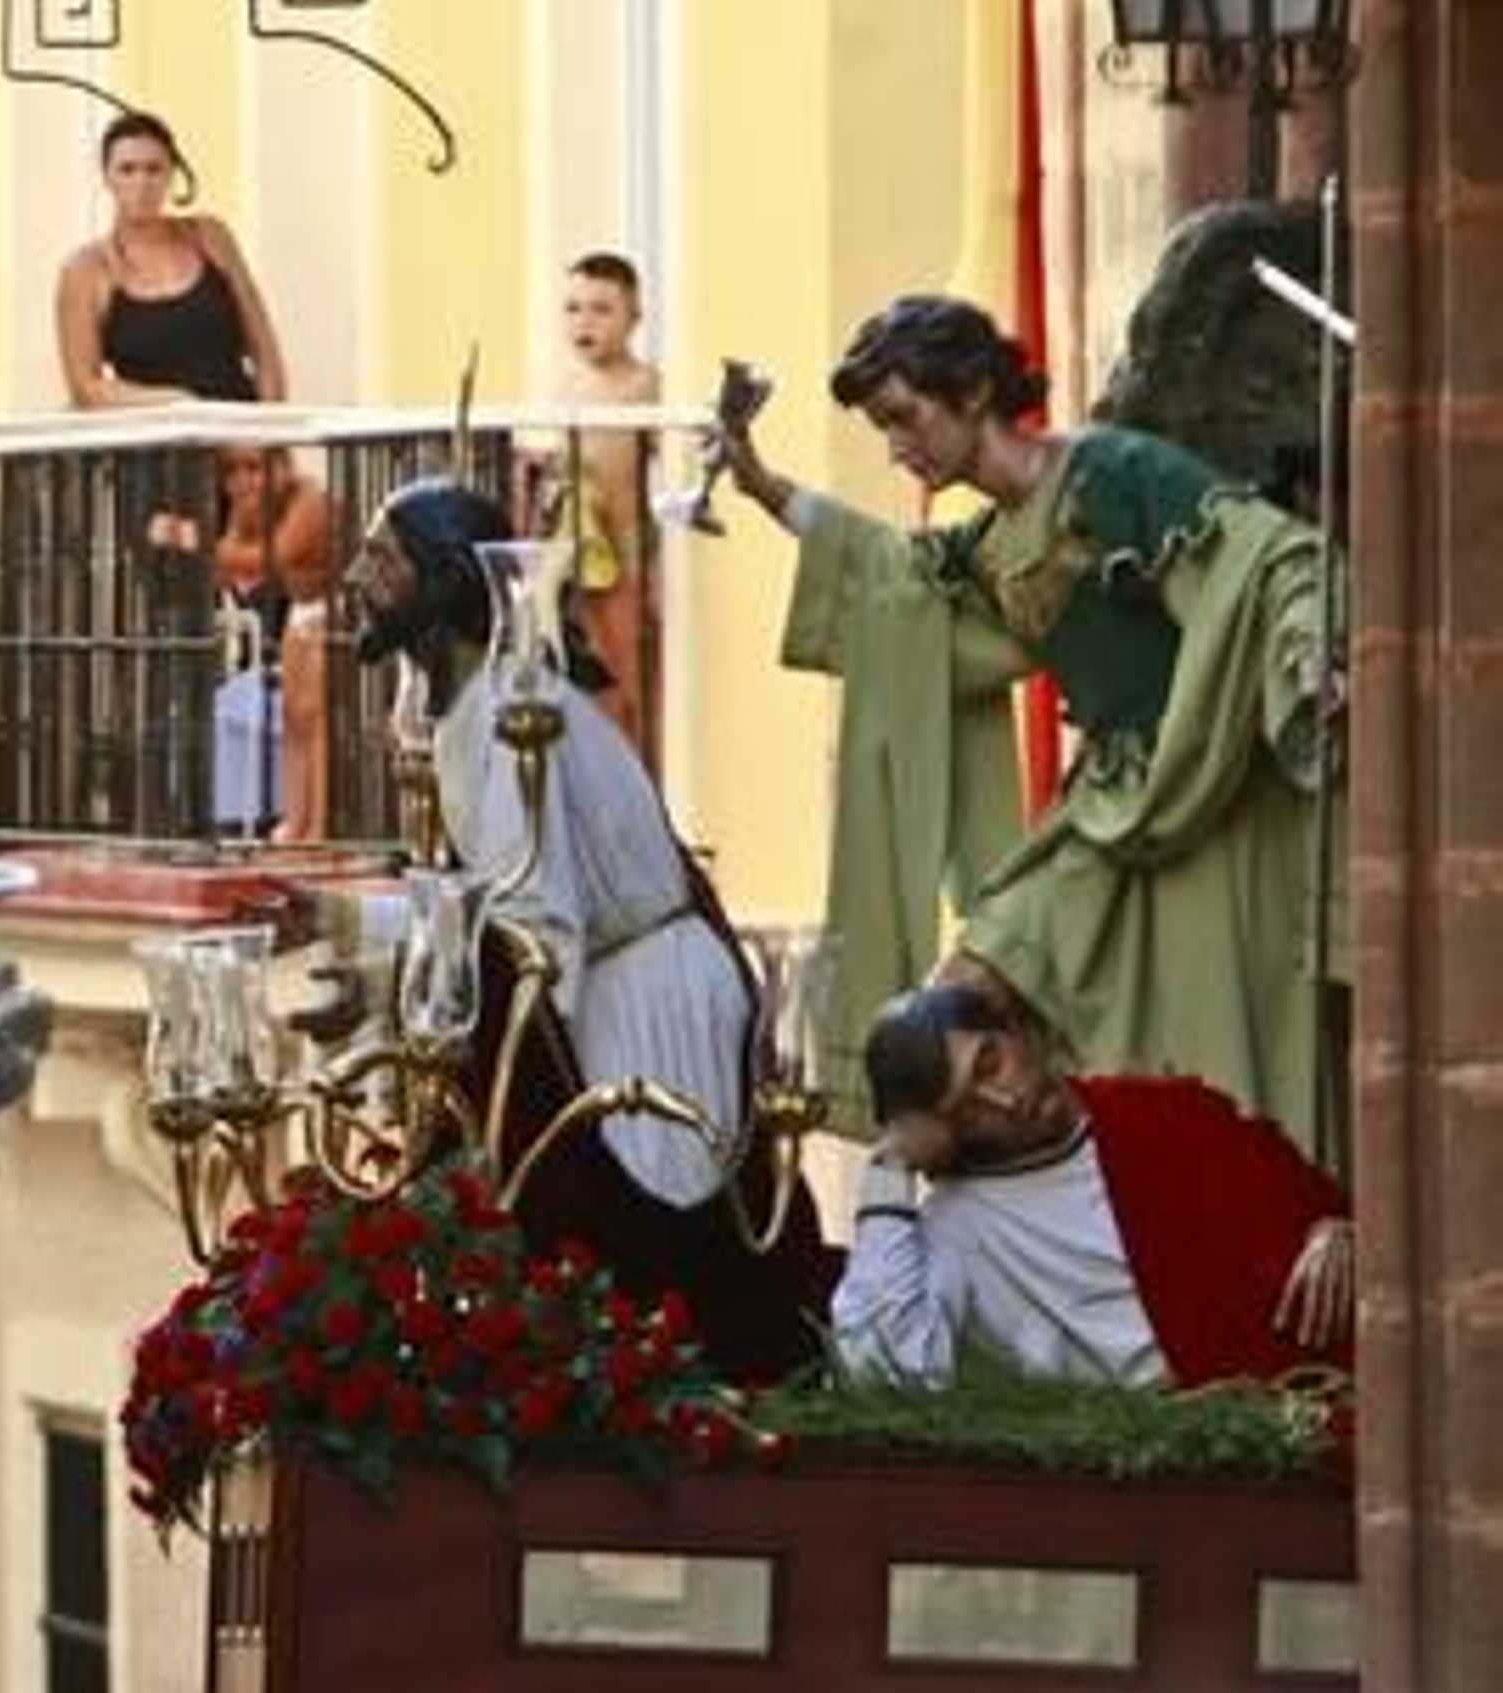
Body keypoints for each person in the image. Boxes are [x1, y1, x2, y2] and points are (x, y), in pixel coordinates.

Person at [726, 293, 1345, 1162]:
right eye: (883, 429)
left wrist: (1309, 657)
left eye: (904, 418)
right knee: (968, 981)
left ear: (974, 390)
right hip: (1106, 811)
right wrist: (765, 489)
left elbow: (1264, 556)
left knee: (1213, 1057)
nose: (898, 447)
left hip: (1205, 792)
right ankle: (945, 1227)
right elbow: (891, 581)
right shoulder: (989, 540)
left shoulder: (1110, 474)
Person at [342, 475, 833, 1380]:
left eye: (382, 559)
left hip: (644, 985)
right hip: (601, 976)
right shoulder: (471, 709)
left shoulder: (510, 712)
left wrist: (410, 974)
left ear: (447, 583)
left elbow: (533, 913)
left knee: (661, 1244)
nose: (354, 577)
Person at [832, 977, 1353, 1388]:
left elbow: (1337, 1219)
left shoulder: (1169, 1117)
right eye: (968, 1111)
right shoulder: (962, 1226)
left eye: (991, 1063)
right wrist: (888, 1169)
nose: (1006, 1101)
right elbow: (883, 1373)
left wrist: (1339, 1231)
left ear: (1014, 1028)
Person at [56, 108, 287, 408]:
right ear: (106, 177)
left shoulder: (211, 237)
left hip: (247, 435)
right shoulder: (86, 270)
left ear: (171, 174)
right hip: (161, 444)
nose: (142, 183)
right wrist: (181, 405)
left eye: (154, 169)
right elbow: (86, 389)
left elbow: (264, 348)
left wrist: (268, 434)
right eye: (127, 169)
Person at [553, 252, 662, 765]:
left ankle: (641, 781)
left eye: (601, 309)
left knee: (631, 679)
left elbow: (664, 465)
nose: (585, 322)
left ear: (634, 316)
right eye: (573, 309)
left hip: (628, 554)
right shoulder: (567, 386)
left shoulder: (644, 387)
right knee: (586, 679)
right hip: (578, 552)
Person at [211, 446, 338, 843]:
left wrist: (194, 539)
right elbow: (230, 567)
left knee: (316, 718)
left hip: (335, 606)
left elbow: (272, 557)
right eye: (231, 471)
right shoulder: (250, 506)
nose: (242, 482)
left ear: (282, 465)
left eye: (253, 468)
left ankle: (319, 827)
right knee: (293, 716)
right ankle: (295, 822)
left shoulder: (309, 498)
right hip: (301, 608)